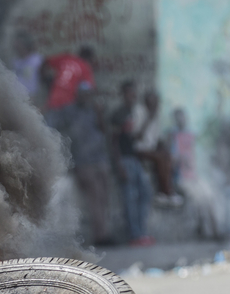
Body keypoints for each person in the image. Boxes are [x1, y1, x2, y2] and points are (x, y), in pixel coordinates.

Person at [49, 81, 113, 244]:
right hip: (84, 161)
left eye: (88, 94)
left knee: (104, 198)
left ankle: (105, 232)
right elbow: (52, 124)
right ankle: (101, 236)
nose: (86, 97)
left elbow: (104, 130)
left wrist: (99, 114)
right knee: (95, 196)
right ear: (78, 95)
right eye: (83, 94)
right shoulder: (69, 111)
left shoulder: (95, 111)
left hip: (100, 159)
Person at [110, 80, 154, 246]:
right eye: (129, 93)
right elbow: (113, 141)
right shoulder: (118, 114)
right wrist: (119, 164)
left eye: (134, 93)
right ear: (123, 94)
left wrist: (149, 117)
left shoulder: (137, 113)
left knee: (145, 194)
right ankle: (134, 235)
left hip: (136, 159)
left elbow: (138, 137)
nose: (132, 96)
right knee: (129, 197)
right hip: (125, 160)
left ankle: (142, 232)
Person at [169, 108, 222, 238]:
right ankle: (204, 232)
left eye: (183, 117)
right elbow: (172, 160)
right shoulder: (173, 137)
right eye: (178, 118)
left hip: (195, 177)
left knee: (209, 196)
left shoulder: (191, 135)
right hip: (181, 178)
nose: (181, 120)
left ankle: (215, 232)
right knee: (198, 198)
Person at [134, 90, 179, 206]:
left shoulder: (157, 114)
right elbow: (137, 137)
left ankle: (165, 193)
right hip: (140, 150)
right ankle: (166, 192)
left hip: (152, 149)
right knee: (160, 158)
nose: (154, 104)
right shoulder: (139, 111)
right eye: (151, 101)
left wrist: (166, 147)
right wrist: (149, 119)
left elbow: (157, 138)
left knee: (167, 157)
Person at [40, 45, 96, 112]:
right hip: (69, 102)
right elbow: (89, 88)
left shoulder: (66, 58)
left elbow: (45, 62)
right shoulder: (85, 67)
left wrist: (44, 79)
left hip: (54, 99)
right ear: (89, 58)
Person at [11, 31, 43, 99]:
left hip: (33, 98)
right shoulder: (15, 61)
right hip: (17, 98)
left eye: (18, 43)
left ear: (24, 45)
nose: (15, 46)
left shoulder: (37, 60)